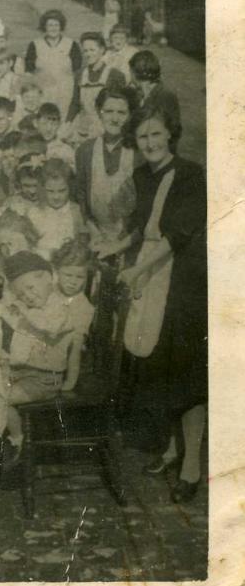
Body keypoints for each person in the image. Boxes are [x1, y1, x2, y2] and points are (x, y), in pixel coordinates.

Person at [117, 107, 207, 503]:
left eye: (156, 134)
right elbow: (142, 227)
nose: (150, 143)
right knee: (159, 367)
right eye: (142, 138)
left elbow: (178, 233)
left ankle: (192, 466)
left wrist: (139, 271)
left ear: (170, 134)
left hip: (182, 281)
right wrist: (117, 246)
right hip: (151, 277)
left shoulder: (190, 174)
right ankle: (171, 451)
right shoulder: (141, 175)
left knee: (186, 375)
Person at [0, 248, 94, 466]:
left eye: (31, 288)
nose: (28, 296)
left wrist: (23, 311)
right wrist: (3, 308)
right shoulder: (38, 304)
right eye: (22, 294)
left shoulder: (60, 306)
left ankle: (17, 441)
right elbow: (12, 316)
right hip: (25, 372)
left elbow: (51, 328)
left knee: (1, 398)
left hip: (45, 379)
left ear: (49, 278)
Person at [75, 86, 137, 258]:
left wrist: (121, 242)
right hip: (97, 235)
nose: (115, 118)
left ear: (130, 115)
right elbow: (81, 196)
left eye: (121, 112)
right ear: (99, 112)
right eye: (108, 111)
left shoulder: (138, 153)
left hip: (131, 239)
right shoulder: (85, 151)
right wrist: (94, 232)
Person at [25, 10, 82, 122]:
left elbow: (77, 69)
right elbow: (29, 71)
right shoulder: (35, 44)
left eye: (56, 25)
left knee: (63, 119)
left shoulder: (71, 44)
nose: (53, 28)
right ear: (44, 27)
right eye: (50, 25)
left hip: (65, 91)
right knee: (43, 119)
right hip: (43, 91)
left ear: (61, 27)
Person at [67, 31, 125, 136]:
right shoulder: (80, 74)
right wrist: (68, 123)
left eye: (92, 50)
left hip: (106, 129)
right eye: (85, 51)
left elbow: (121, 108)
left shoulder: (115, 75)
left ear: (102, 50)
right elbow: (75, 103)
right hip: (83, 128)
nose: (88, 54)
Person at [34, 159, 86, 260]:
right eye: (50, 191)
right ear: (43, 188)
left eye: (62, 191)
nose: (56, 197)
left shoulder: (76, 211)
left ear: (70, 187)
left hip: (69, 263)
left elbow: (82, 242)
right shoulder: (35, 212)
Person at [128, 50, 181, 127]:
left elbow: (173, 128)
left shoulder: (165, 95)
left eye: (130, 71)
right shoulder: (140, 93)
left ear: (134, 73)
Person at [34, 103, 75, 168]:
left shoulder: (66, 150)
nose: (49, 128)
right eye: (44, 123)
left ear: (59, 124)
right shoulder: (30, 145)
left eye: (54, 124)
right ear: (36, 123)